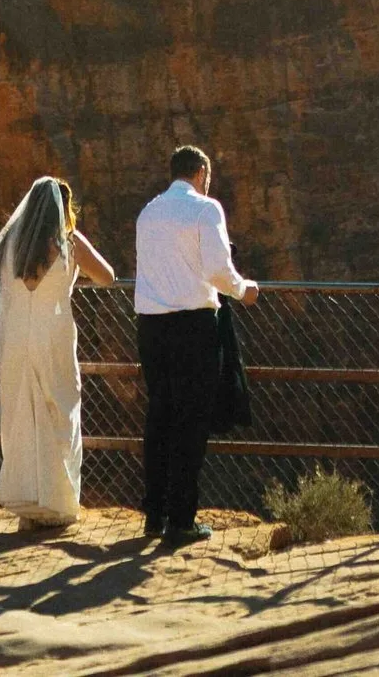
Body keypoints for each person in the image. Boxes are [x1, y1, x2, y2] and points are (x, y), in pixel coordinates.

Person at [133, 145, 258, 544]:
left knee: (160, 418)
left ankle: (153, 513)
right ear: (202, 171)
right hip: (193, 327)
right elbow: (218, 269)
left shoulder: (148, 212)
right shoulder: (207, 209)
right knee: (191, 422)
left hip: (151, 327)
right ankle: (181, 519)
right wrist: (244, 290)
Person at [0, 175, 116, 529]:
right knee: (60, 410)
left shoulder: (14, 244)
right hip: (53, 335)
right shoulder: (68, 243)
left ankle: (28, 506)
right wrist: (72, 276)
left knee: (23, 415)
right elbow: (107, 276)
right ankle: (58, 505)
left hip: (17, 338)